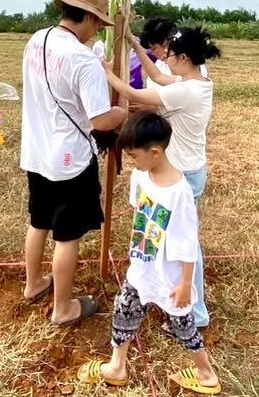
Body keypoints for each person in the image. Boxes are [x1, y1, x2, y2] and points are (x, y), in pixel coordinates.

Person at [77, 112, 221, 394]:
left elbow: (187, 243)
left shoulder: (179, 194)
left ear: (155, 152)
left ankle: (206, 375)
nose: (133, 163)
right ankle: (117, 366)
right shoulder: (140, 177)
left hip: (170, 280)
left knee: (183, 327)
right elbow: (138, 212)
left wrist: (185, 284)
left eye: (134, 156)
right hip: (142, 270)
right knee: (124, 308)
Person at [20, 0, 127, 326]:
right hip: (70, 158)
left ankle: (33, 283)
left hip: (37, 151)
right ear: (89, 17)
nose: (98, 30)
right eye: (98, 23)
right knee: (67, 235)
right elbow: (99, 120)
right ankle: (64, 307)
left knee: (39, 221)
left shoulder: (37, 40)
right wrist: (123, 111)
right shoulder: (82, 59)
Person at [102, 27, 221, 328]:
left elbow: (132, 93)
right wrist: (133, 43)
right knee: (174, 241)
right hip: (191, 169)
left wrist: (106, 70)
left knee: (185, 244)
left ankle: (195, 312)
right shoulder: (196, 82)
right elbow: (156, 76)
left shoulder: (184, 91)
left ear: (183, 57)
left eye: (169, 55)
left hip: (185, 175)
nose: (165, 59)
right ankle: (172, 299)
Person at [139, 17, 208, 88]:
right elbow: (157, 77)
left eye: (154, 48)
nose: (153, 53)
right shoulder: (160, 63)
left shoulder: (188, 70)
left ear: (166, 43)